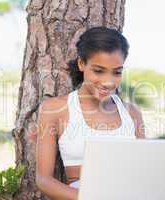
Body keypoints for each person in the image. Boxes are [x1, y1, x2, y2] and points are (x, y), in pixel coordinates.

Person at [35, 26, 145, 200]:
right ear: (81, 64)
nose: (108, 82)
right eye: (98, 71)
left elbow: (142, 173)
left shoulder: (132, 114)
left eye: (117, 72)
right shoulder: (55, 109)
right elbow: (43, 180)